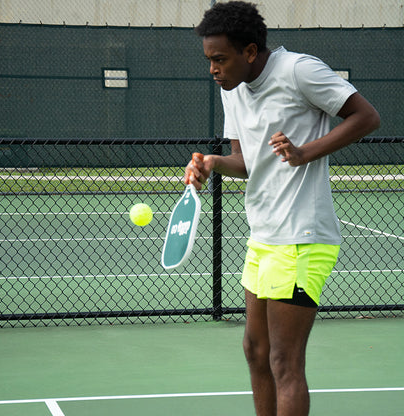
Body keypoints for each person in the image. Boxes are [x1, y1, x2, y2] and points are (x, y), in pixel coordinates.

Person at [185, 2, 380, 415]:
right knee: (255, 352)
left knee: (283, 361)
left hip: (302, 237)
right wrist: (212, 163)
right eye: (209, 60)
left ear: (250, 51)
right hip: (264, 235)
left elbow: (366, 116)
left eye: (220, 59)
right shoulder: (233, 90)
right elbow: (246, 161)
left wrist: (304, 152)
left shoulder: (298, 71)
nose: (213, 69)